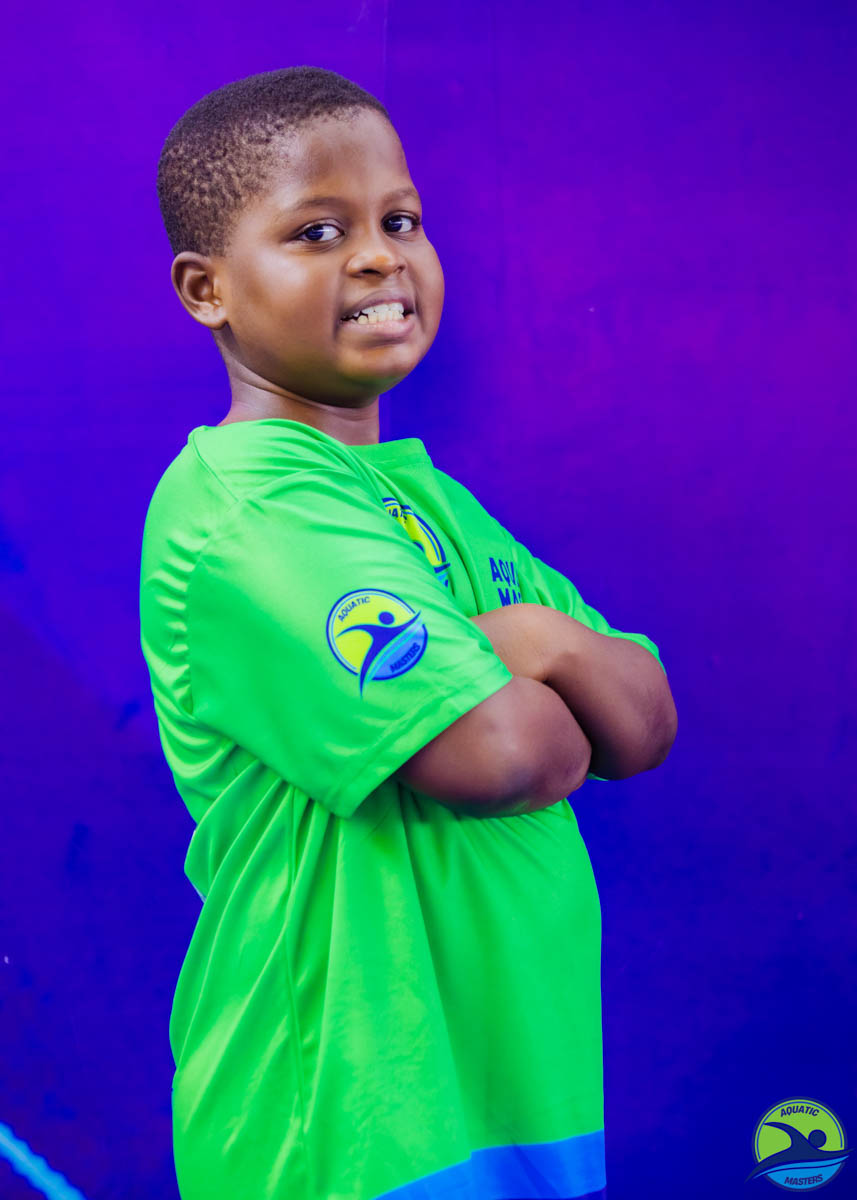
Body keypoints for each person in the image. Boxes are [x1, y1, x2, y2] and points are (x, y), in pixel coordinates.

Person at [140, 65, 678, 1200]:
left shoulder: (425, 501)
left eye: (400, 221)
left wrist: (538, 639)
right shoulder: (248, 505)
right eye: (318, 231)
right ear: (206, 289)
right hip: (347, 1128)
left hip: (516, 1103)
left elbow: (640, 723)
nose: (380, 257)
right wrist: (536, 660)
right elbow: (512, 755)